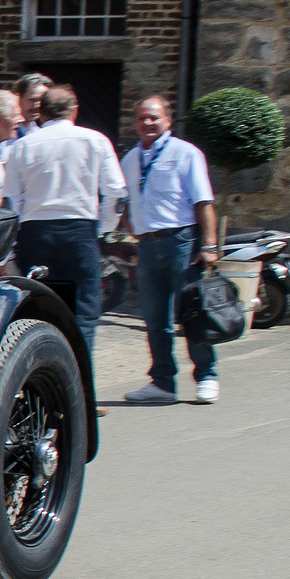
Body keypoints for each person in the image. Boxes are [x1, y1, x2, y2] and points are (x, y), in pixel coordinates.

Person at [1, 84, 126, 352]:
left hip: (36, 235)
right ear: (74, 110)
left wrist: (14, 244)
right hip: (79, 232)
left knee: (39, 311)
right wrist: (103, 228)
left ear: (41, 113)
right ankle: (80, 384)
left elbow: (11, 201)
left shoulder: (21, 147)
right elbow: (116, 192)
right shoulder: (95, 140)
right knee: (83, 314)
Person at [118, 95, 222, 405]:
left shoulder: (186, 153)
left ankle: (207, 376)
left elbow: (203, 202)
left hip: (182, 241)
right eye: (142, 118)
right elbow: (122, 198)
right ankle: (162, 383)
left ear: (168, 121)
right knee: (154, 318)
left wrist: (210, 246)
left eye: (154, 118)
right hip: (148, 245)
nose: (147, 123)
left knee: (192, 313)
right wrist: (129, 225)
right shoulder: (129, 159)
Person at [4, 73, 53, 151]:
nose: (38, 105)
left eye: (42, 101)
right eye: (33, 100)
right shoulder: (5, 131)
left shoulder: (36, 130)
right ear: (18, 98)